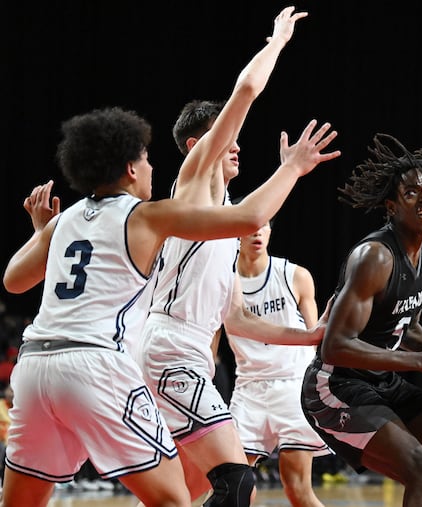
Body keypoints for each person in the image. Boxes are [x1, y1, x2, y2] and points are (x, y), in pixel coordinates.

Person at [0, 100, 330, 506]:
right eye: (145, 158)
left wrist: (42, 234)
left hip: (37, 364)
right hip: (133, 355)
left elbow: (13, 280)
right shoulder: (157, 212)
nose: (153, 166)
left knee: (186, 488)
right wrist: (277, 41)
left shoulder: (67, 220)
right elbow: (250, 210)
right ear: (132, 168)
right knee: (218, 487)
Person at [135, 7, 340, 505]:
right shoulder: (195, 180)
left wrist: (308, 335)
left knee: (189, 490)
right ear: (197, 145)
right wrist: (277, 41)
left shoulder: (217, 215)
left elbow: (236, 317)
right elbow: (246, 92)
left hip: (178, 349)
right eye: (227, 141)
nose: (237, 147)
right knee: (235, 479)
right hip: (169, 347)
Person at [301, 134, 422, 507]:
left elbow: (405, 329)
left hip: (381, 383)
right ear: (391, 206)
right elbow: (335, 345)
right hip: (333, 387)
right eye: (412, 193)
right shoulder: (375, 257)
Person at [226, 218, 330, 507]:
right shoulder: (224, 280)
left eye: (264, 226)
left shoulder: (294, 275)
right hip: (248, 390)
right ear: (235, 234)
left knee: (297, 489)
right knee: (232, 487)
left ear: (271, 231)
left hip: (292, 385)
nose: (257, 232)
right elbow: (212, 336)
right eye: (249, 226)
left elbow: (316, 336)